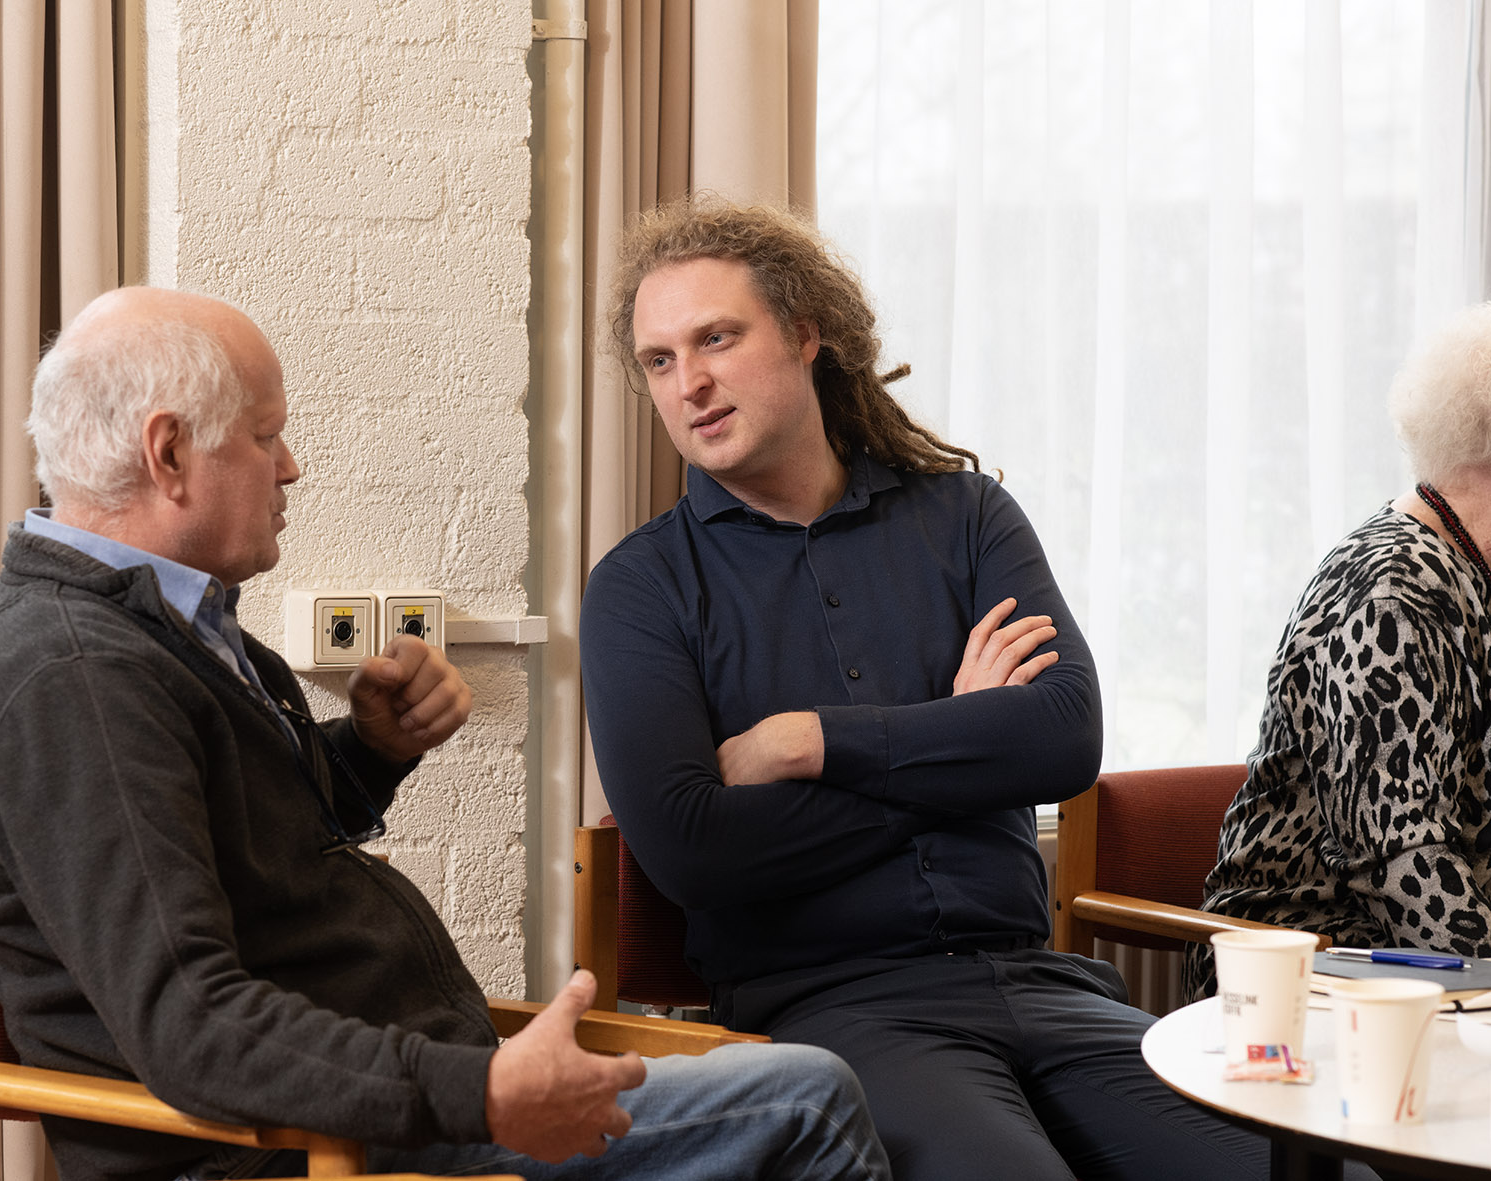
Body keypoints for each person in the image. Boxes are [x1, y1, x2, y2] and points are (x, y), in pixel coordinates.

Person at [0, 286, 891, 1181]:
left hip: (382, 1106)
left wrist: (373, 749)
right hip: (298, 1151)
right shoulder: (76, 673)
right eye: (267, 435)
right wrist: (478, 1090)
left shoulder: (163, 626)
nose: (290, 467)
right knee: (808, 1097)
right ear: (168, 453)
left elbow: (261, 851)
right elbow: (190, 1021)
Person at [578, 199, 1279, 1180]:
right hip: (831, 1012)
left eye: (716, 338)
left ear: (804, 333)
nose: (687, 381)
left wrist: (812, 742)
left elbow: (1064, 738)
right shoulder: (639, 587)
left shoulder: (965, 515)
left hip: (1046, 986)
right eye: (658, 359)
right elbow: (697, 850)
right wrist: (958, 743)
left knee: (1314, 1167)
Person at [1190, 302, 1491, 998]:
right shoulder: (1392, 595)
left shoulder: (1468, 570)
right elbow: (1397, 860)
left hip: (1417, 974)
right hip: (1300, 969)